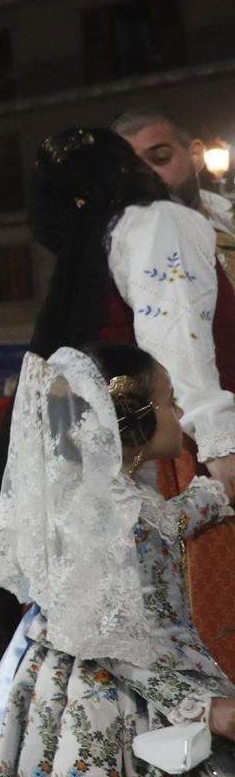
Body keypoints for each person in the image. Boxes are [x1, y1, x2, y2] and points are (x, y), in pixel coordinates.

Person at [0, 127, 234, 777]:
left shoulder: (97, 250)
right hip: (184, 471)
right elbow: (177, 344)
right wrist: (219, 443)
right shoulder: (156, 222)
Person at [0, 341, 235, 777]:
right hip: (116, 694)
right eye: (168, 402)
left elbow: (159, 525)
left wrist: (208, 496)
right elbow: (113, 640)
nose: (179, 414)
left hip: (55, 681)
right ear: (132, 416)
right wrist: (202, 704)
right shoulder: (123, 516)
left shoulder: (88, 497)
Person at [117, 103, 235, 683]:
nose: (146, 171)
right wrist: (216, 438)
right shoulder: (154, 224)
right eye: (131, 161)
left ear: (193, 155)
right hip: (196, 442)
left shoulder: (218, 219)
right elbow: (175, 332)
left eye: (159, 156)